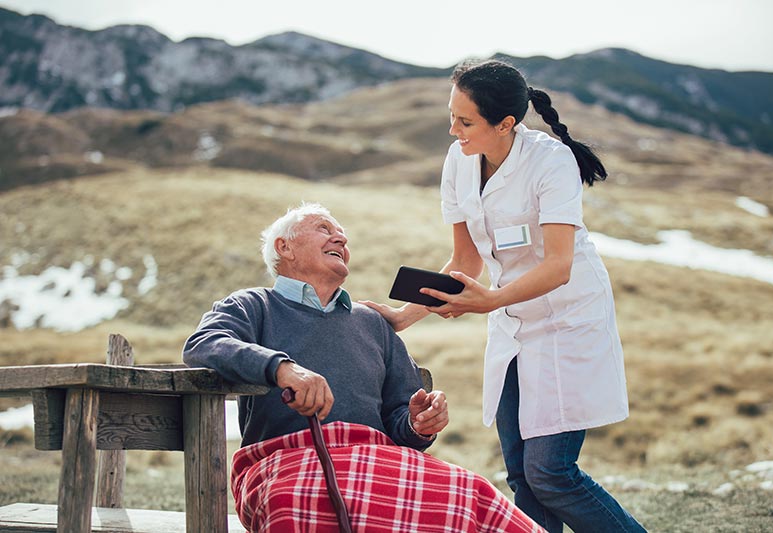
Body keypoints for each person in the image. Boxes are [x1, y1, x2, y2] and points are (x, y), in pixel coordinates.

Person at [362, 60, 647, 532]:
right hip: (513, 322)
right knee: (521, 475)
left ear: (506, 124)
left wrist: (490, 301)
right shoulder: (459, 160)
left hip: (567, 320)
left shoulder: (551, 162)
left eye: (465, 121)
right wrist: (404, 316)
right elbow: (466, 262)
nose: (453, 130)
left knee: (551, 472)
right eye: (451, 115)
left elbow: (559, 265)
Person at [183, 203, 545, 533]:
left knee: (473, 495)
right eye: (324, 229)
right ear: (285, 248)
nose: (340, 237)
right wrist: (282, 368)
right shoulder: (254, 305)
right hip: (286, 459)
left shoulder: (371, 322)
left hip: (379, 461)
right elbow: (203, 344)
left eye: (342, 234)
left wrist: (418, 424)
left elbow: (401, 419)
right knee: (296, 505)